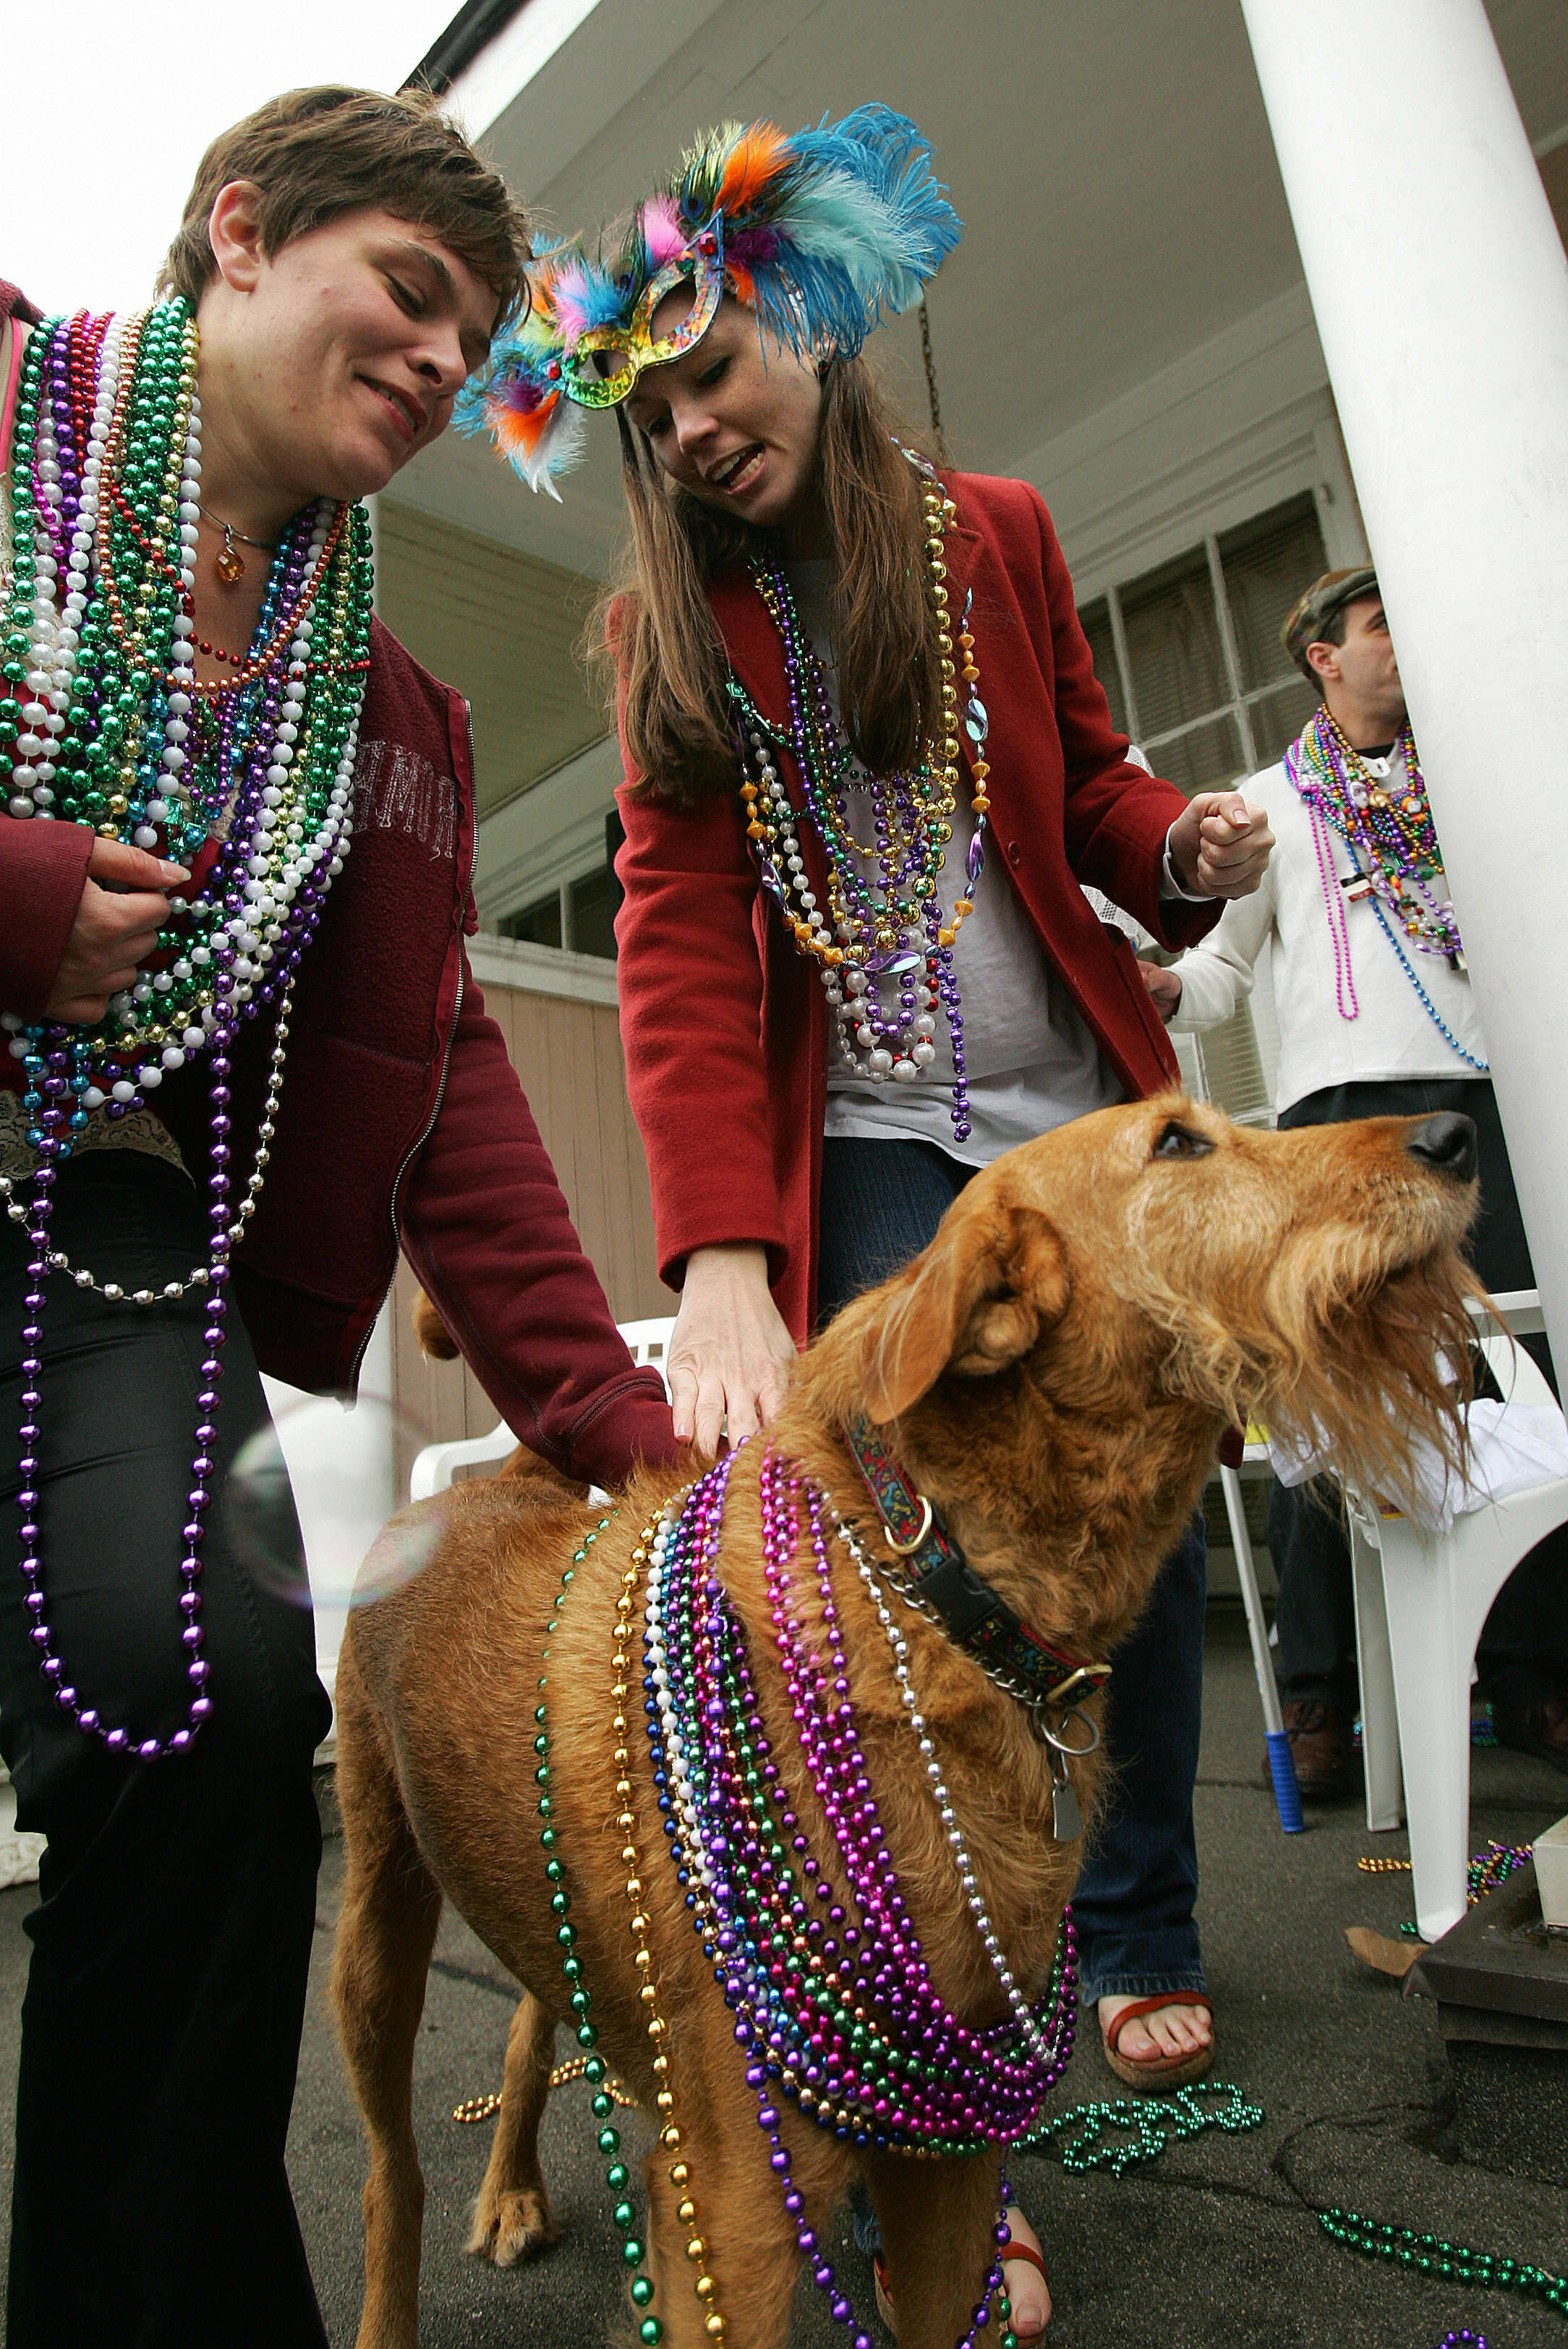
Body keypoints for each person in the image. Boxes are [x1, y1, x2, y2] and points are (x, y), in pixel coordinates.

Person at [463, 106, 1274, 2335]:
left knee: (1136, 1539)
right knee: (901, 1589)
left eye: (716, 364)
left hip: (1071, 1109)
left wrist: (1174, 851)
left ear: (803, 316)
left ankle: (1137, 1937)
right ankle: (923, 2035)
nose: (699, 425)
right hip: (875, 1152)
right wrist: (721, 1252)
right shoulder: (672, 636)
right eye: (649, 409)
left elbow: (1087, 785)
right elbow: (674, 933)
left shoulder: (989, 529)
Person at [0, 89, 678, 2346]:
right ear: (240, 233)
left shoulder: (379, 712)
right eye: (407, 291)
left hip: (94, 1245)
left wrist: (616, 1425)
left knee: (197, 1733)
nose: (437, 355)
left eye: (470, 336)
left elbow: (444, 1074)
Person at [1145, 567, 1568, 1794]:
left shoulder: (1468, 784)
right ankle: (1325, 1695)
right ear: (1322, 655)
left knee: (1518, 1389)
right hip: (1338, 1125)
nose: (1402, 643)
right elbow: (1221, 975)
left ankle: (1534, 1674)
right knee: (1332, 1400)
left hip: (1485, 1107)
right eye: (1381, 625)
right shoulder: (1270, 806)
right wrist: (1167, 991)